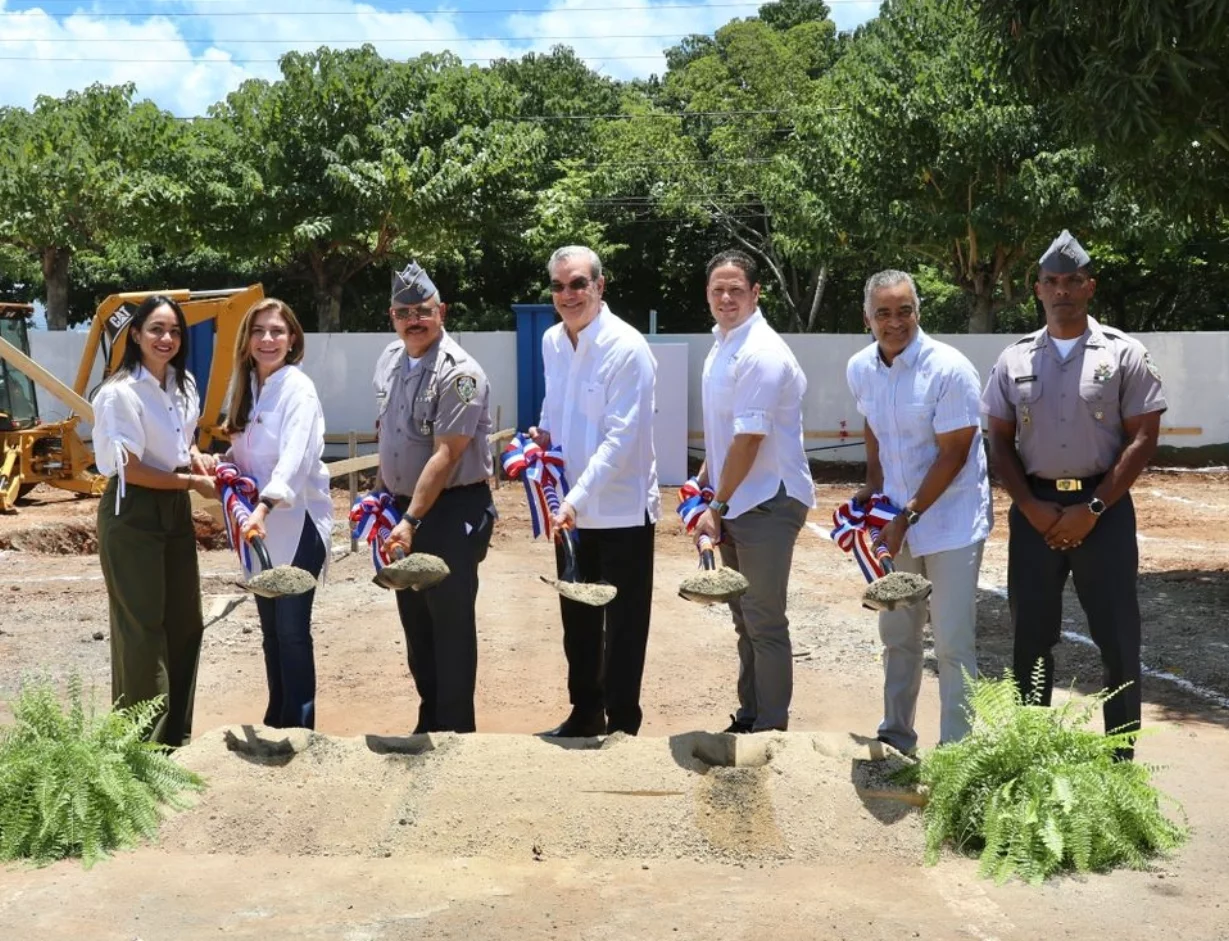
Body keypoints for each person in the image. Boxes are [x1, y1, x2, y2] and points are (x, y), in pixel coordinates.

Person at [982, 230, 1167, 759]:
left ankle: (1121, 762)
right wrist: (1031, 507)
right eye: (1051, 281)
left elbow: (1143, 437)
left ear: (1090, 287)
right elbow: (998, 439)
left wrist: (1092, 509)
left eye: (1073, 280)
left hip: (1102, 510)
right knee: (1030, 639)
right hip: (1034, 510)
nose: (1062, 289)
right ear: (1037, 289)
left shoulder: (1124, 354)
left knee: (1117, 638)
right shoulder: (1013, 359)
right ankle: (1031, 757)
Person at [845, 270, 991, 754]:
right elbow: (873, 425)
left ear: (918, 312)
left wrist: (906, 514)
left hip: (950, 523)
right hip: (895, 520)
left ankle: (957, 755)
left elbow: (954, 453)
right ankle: (895, 739)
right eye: (883, 313)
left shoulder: (950, 368)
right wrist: (873, 483)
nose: (895, 322)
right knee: (898, 634)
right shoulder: (861, 367)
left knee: (951, 644)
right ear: (868, 318)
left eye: (904, 310)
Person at [529, 245, 659, 738]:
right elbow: (553, 407)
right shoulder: (551, 341)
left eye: (578, 283)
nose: (568, 294)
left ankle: (624, 725)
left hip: (621, 511)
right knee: (578, 621)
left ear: (600, 287)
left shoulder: (627, 348)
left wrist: (574, 501)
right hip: (571, 513)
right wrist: (540, 438)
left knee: (624, 627)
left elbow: (621, 440)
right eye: (560, 286)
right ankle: (586, 712)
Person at [692, 250, 814, 734]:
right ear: (708, 293)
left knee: (763, 620)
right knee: (745, 617)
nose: (726, 298)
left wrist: (715, 506)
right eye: (718, 289)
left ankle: (771, 728)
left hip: (766, 499)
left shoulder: (760, 351)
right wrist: (706, 477)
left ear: (756, 292)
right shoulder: (722, 343)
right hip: (739, 495)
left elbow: (750, 437)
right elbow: (726, 431)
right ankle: (750, 717)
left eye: (736, 289)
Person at [375, 261, 497, 734]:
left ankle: (455, 732)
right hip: (403, 510)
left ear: (441, 311)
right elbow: (389, 435)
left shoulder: (460, 373)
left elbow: (446, 454)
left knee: (449, 625)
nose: (414, 320)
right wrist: (382, 501)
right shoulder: (389, 360)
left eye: (423, 311)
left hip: (449, 512)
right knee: (416, 623)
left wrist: (408, 520)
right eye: (405, 312)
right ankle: (430, 720)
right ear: (393, 317)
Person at [91, 295, 216, 746]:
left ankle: (176, 738)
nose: (167, 339)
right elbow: (133, 468)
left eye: (175, 331)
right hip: (134, 510)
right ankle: (142, 746)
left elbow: (185, 445)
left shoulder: (183, 386)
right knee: (142, 628)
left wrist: (201, 462)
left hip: (174, 508)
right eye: (157, 330)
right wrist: (190, 485)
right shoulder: (118, 393)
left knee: (186, 621)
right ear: (137, 335)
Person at [221, 297, 332, 730]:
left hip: (297, 520)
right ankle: (277, 716)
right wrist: (222, 462)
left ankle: (300, 724)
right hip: (258, 526)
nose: (268, 339)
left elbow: (295, 458)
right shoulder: (245, 387)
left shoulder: (298, 389)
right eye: (259, 331)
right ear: (246, 340)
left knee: (291, 627)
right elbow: (247, 451)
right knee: (270, 630)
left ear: (292, 340)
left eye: (277, 331)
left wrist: (264, 506)